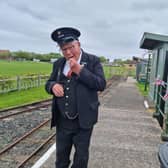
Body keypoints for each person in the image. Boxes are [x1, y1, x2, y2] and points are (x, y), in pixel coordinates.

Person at [45, 27, 106, 168]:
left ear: (78, 44)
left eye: (71, 47)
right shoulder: (59, 64)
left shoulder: (93, 61)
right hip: (63, 121)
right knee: (61, 158)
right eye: (63, 49)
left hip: (83, 121)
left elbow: (101, 84)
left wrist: (80, 71)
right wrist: (53, 86)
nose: (67, 52)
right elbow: (48, 83)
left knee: (81, 159)